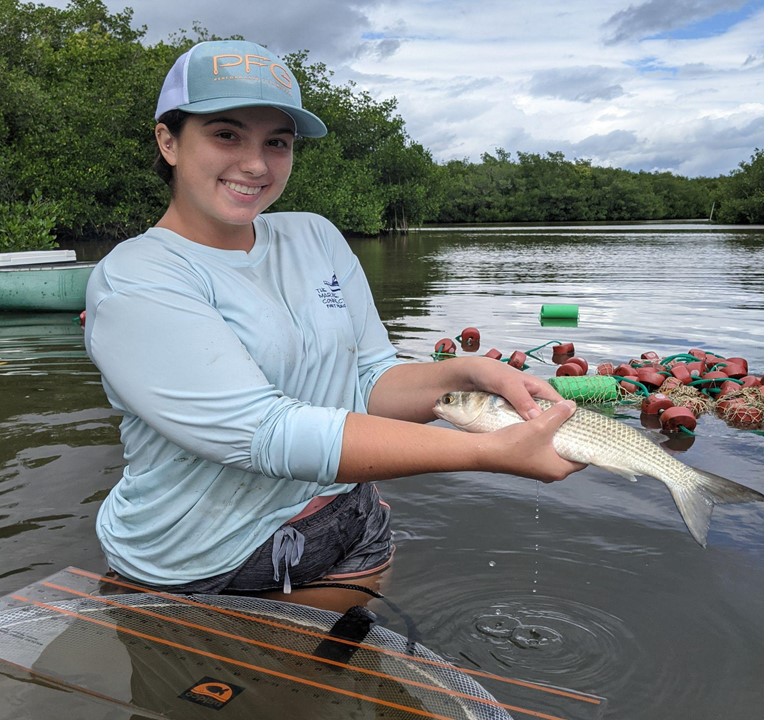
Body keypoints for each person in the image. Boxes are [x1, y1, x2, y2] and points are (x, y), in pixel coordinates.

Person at [84, 39, 583, 611]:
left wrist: (471, 373)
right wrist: (487, 452)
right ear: (168, 141)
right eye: (226, 134)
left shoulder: (314, 236)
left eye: (277, 142)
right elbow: (264, 434)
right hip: (201, 560)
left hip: (347, 525)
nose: (255, 164)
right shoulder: (137, 279)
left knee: (338, 689)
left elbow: (369, 378)